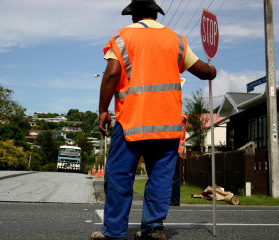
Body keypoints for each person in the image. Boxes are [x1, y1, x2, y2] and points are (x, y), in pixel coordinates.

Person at [91, 1, 216, 239]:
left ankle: (114, 233)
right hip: (167, 126)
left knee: (119, 177)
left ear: (134, 16)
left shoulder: (123, 37)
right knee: (160, 178)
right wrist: (213, 71)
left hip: (132, 123)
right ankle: (152, 229)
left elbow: (112, 74)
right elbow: (202, 71)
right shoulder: (176, 40)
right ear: (156, 15)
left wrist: (102, 110)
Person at [170, 116, 187, 207]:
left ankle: (175, 200)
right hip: (177, 151)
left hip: (176, 151)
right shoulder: (181, 118)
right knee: (174, 176)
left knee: (174, 177)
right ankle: (174, 199)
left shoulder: (180, 118)